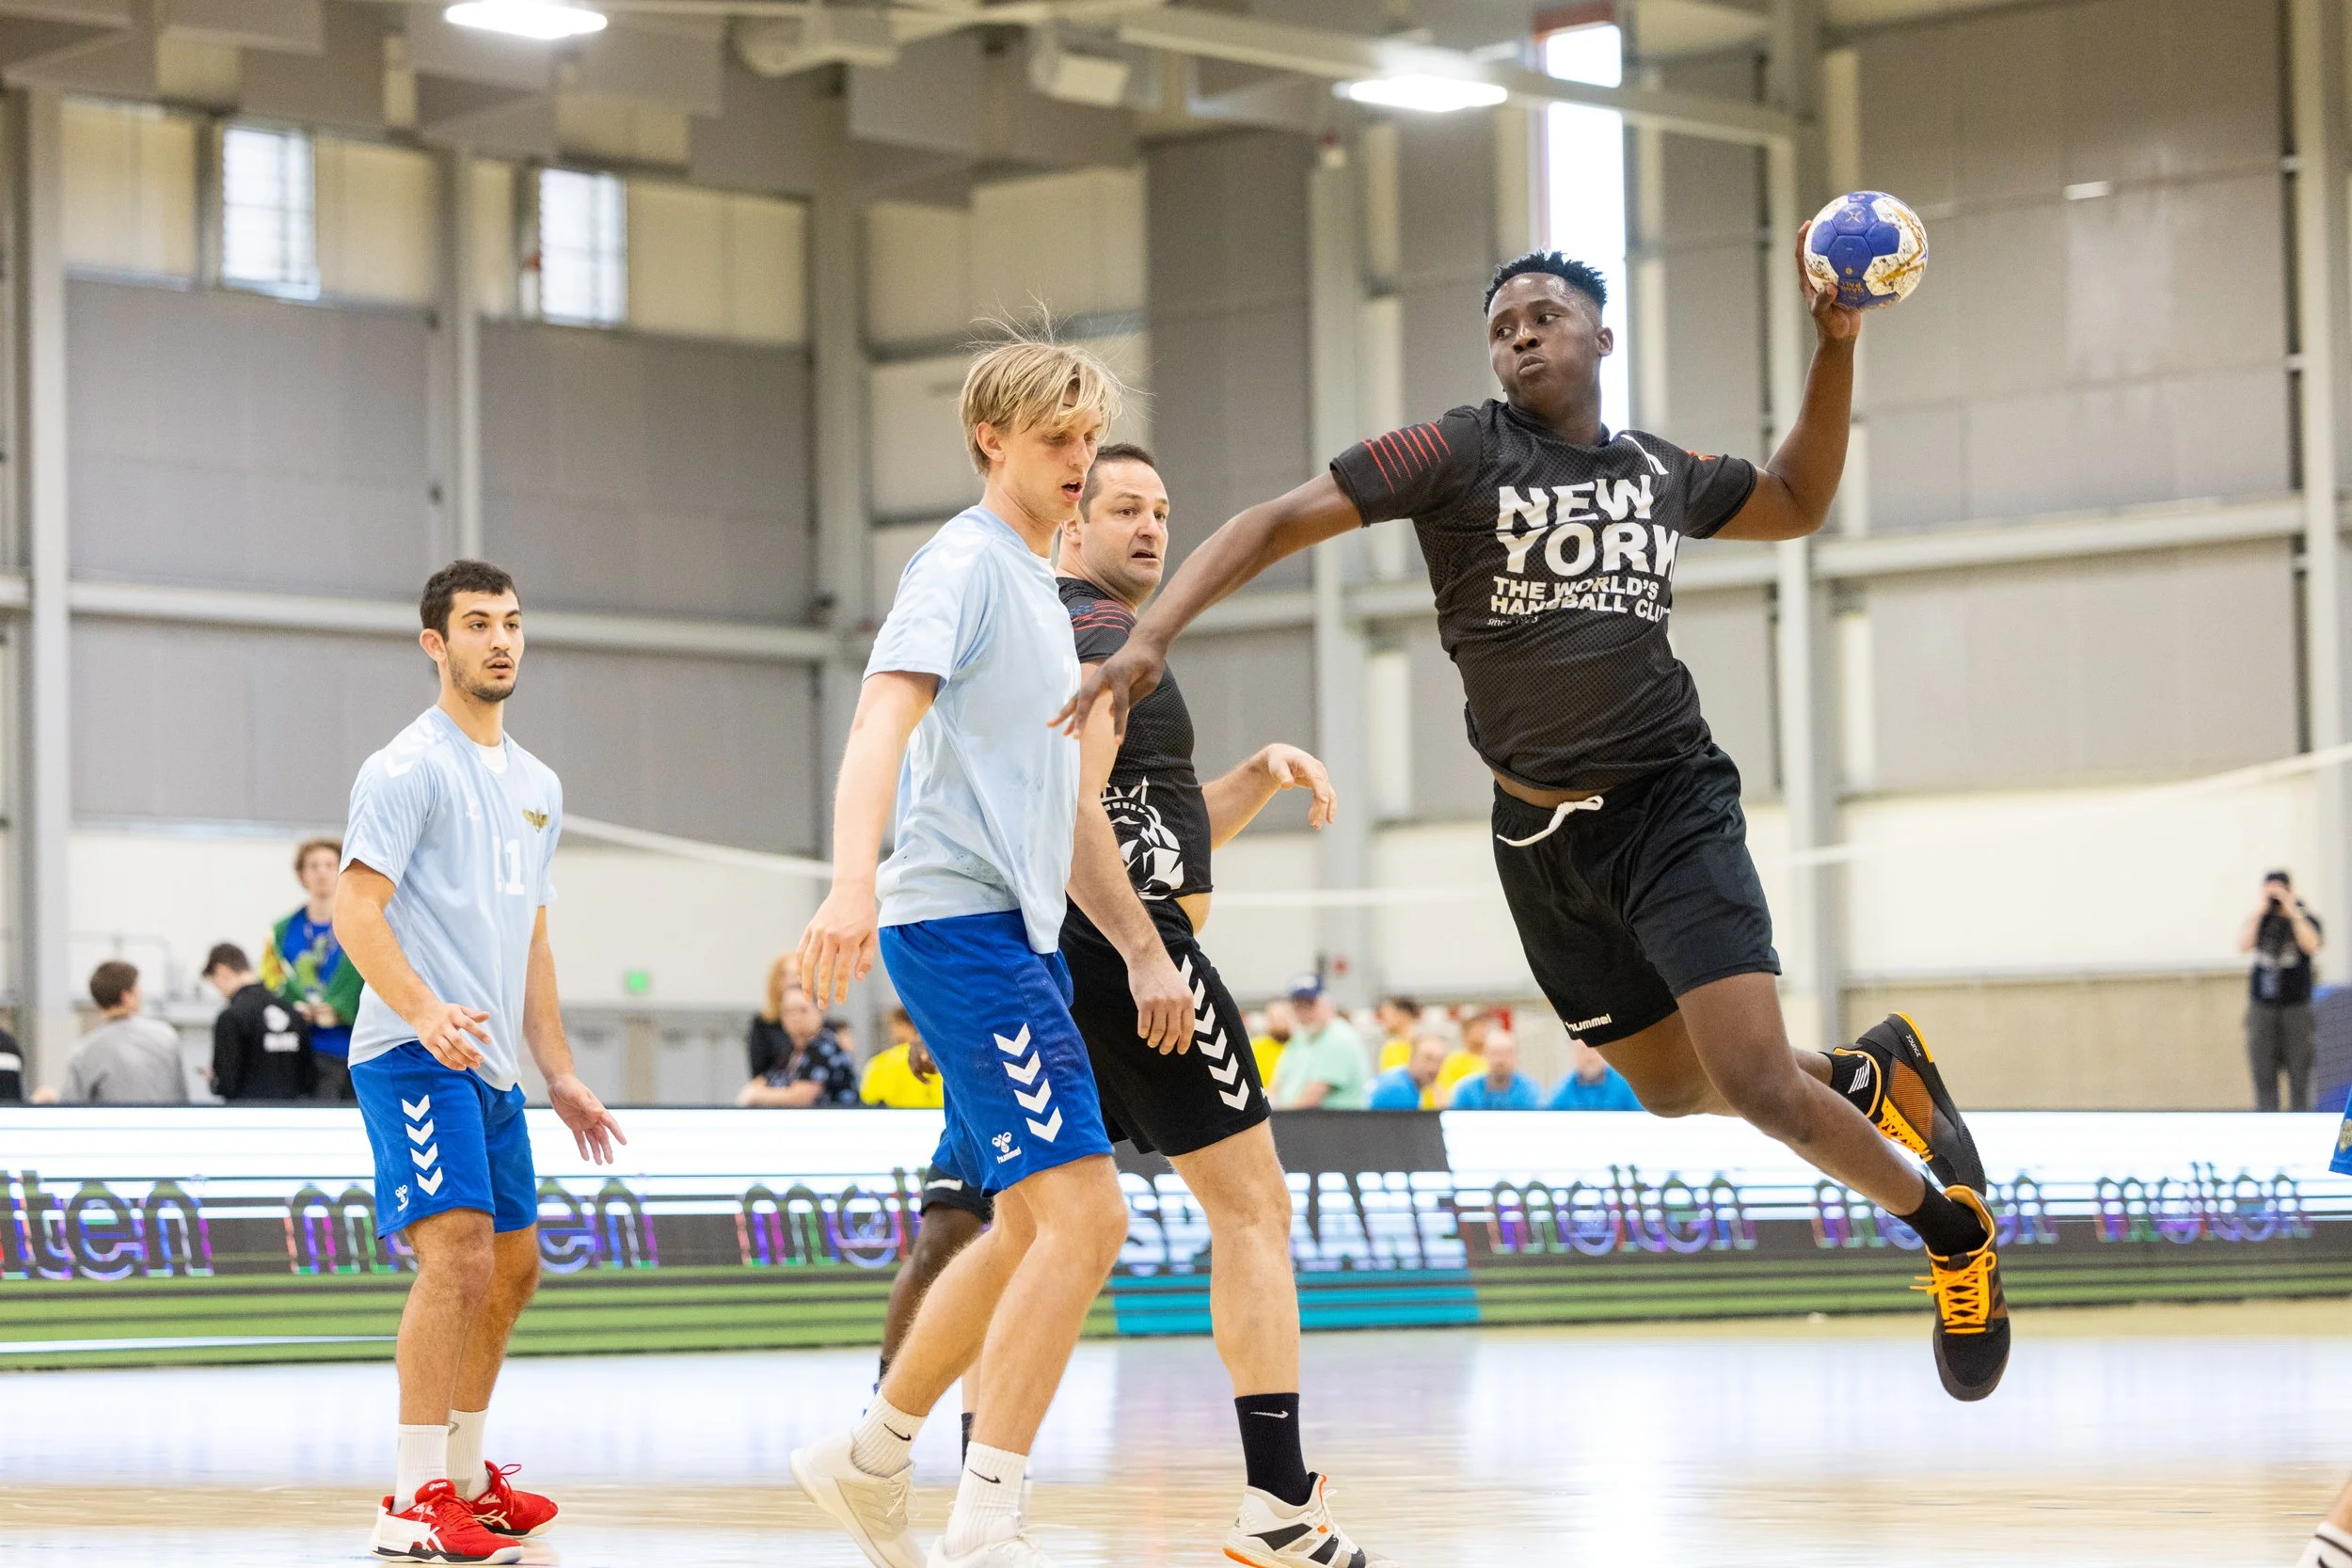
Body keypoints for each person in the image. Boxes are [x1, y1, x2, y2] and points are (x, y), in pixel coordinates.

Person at [1057, 244, 2009, 1402]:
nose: (1518, 334)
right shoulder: (1455, 451)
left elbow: (1798, 501)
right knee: (1668, 1087)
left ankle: (1950, 1231)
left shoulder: (1658, 469)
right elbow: (1272, 520)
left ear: (1600, 340)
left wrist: (1835, 344)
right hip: (1538, 836)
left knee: (1753, 1081)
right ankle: (1869, 1074)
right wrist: (1155, 634)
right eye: (1501, 321)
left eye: (1545, 316)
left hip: (1669, 801)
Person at [788, 336, 1188, 1568]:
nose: (1078, 458)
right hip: (955, 926)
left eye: (1088, 437)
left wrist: (1136, 947)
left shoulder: (1038, 590)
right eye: (1057, 438)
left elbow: (1063, 814)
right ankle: (988, 1516)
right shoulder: (957, 565)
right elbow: (878, 718)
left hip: (1020, 938)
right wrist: (851, 878)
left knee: (1020, 1225)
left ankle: (866, 1457)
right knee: (1087, 1219)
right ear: (989, 443)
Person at [333, 560, 626, 1564]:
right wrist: (423, 1011)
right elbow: (354, 910)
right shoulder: (405, 767)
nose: (500, 640)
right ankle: (410, 1496)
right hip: (412, 1051)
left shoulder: (539, 785)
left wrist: (560, 1072)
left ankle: (464, 1479)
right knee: (455, 1252)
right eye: (475, 624)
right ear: (436, 644)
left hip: (495, 1064)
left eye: (510, 622)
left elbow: (531, 942)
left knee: (513, 1266)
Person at [263, 836, 363, 1102]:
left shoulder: (363, 926)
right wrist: (297, 1011)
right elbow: (272, 981)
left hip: (357, 1048)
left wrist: (342, 1010)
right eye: (314, 866)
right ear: (302, 874)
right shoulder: (282, 931)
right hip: (303, 1052)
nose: (322, 873)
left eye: (330, 865)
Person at [2242, 869, 2324, 1112]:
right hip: (2262, 1009)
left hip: (2296, 1008)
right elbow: (2242, 945)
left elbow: (2311, 945)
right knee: (2263, 1075)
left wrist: (2292, 910)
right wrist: (2261, 910)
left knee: (2300, 1076)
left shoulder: (2305, 918)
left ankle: (2301, 1125)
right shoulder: (2260, 920)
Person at [57, 960, 188, 1104]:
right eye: (137, 988)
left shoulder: (83, 1051)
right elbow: (181, 1098)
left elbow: (71, 1107)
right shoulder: (167, 1037)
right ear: (126, 996)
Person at [203, 942, 313, 1102]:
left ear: (222, 971)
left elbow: (226, 1083)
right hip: (290, 1115)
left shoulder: (231, 1017)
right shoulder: (291, 1012)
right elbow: (308, 1077)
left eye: (215, 984)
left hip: (248, 1117)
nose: (220, 993)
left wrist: (214, 1079)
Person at [735, 982, 859, 1107]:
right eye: (788, 1011)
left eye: (803, 1010)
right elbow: (764, 1080)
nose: (795, 1017)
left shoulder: (825, 1046)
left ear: (821, 1011)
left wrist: (755, 1095)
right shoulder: (791, 1051)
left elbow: (803, 1096)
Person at [1264, 975, 1370, 1110]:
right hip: (1296, 1121)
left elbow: (1312, 1097)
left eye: (1310, 1005)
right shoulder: (1301, 1038)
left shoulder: (1339, 1038)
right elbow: (1277, 1083)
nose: (1304, 1012)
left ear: (1327, 1004)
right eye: (1299, 1007)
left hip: (1333, 1125)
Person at [861, 1007, 946, 1109]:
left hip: (895, 1121)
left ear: (905, 1025)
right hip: (936, 1118)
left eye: (893, 1025)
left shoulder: (881, 1061)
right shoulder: (937, 1059)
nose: (891, 1031)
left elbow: (869, 1099)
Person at [1448, 1030, 1540, 1110]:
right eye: (1495, 1053)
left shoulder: (1529, 1090)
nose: (1500, 1060)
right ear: (1484, 1055)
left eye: (1506, 1054)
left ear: (1516, 1056)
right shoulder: (1465, 1090)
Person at [1548, 1037, 1643, 1111]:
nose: (1589, 1057)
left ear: (1606, 1052)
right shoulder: (1560, 1093)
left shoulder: (1628, 1088)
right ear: (1573, 1053)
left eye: (1595, 1050)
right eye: (1582, 1050)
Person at [1368, 1031, 1451, 1110]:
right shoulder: (1398, 1090)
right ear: (1412, 1057)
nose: (1433, 1068)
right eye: (1428, 1059)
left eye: (1439, 1061)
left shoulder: (1402, 1081)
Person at [1435, 1006, 1492, 1101]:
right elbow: (1442, 1089)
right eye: (1475, 1028)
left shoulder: (1493, 1060)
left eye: (1482, 1028)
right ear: (1465, 1033)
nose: (1480, 1032)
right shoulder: (1454, 1061)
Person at [1248, 998, 1295, 1086]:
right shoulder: (1255, 1047)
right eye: (1276, 1018)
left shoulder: (1301, 1046)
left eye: (1283, 1017)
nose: (1280, 1023)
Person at [1373, 994, 1422, 1072]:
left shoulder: (1393, 1048)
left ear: (1403, 1015)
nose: (1383, 1021)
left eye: (1386, 1015)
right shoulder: (1422, 1045)